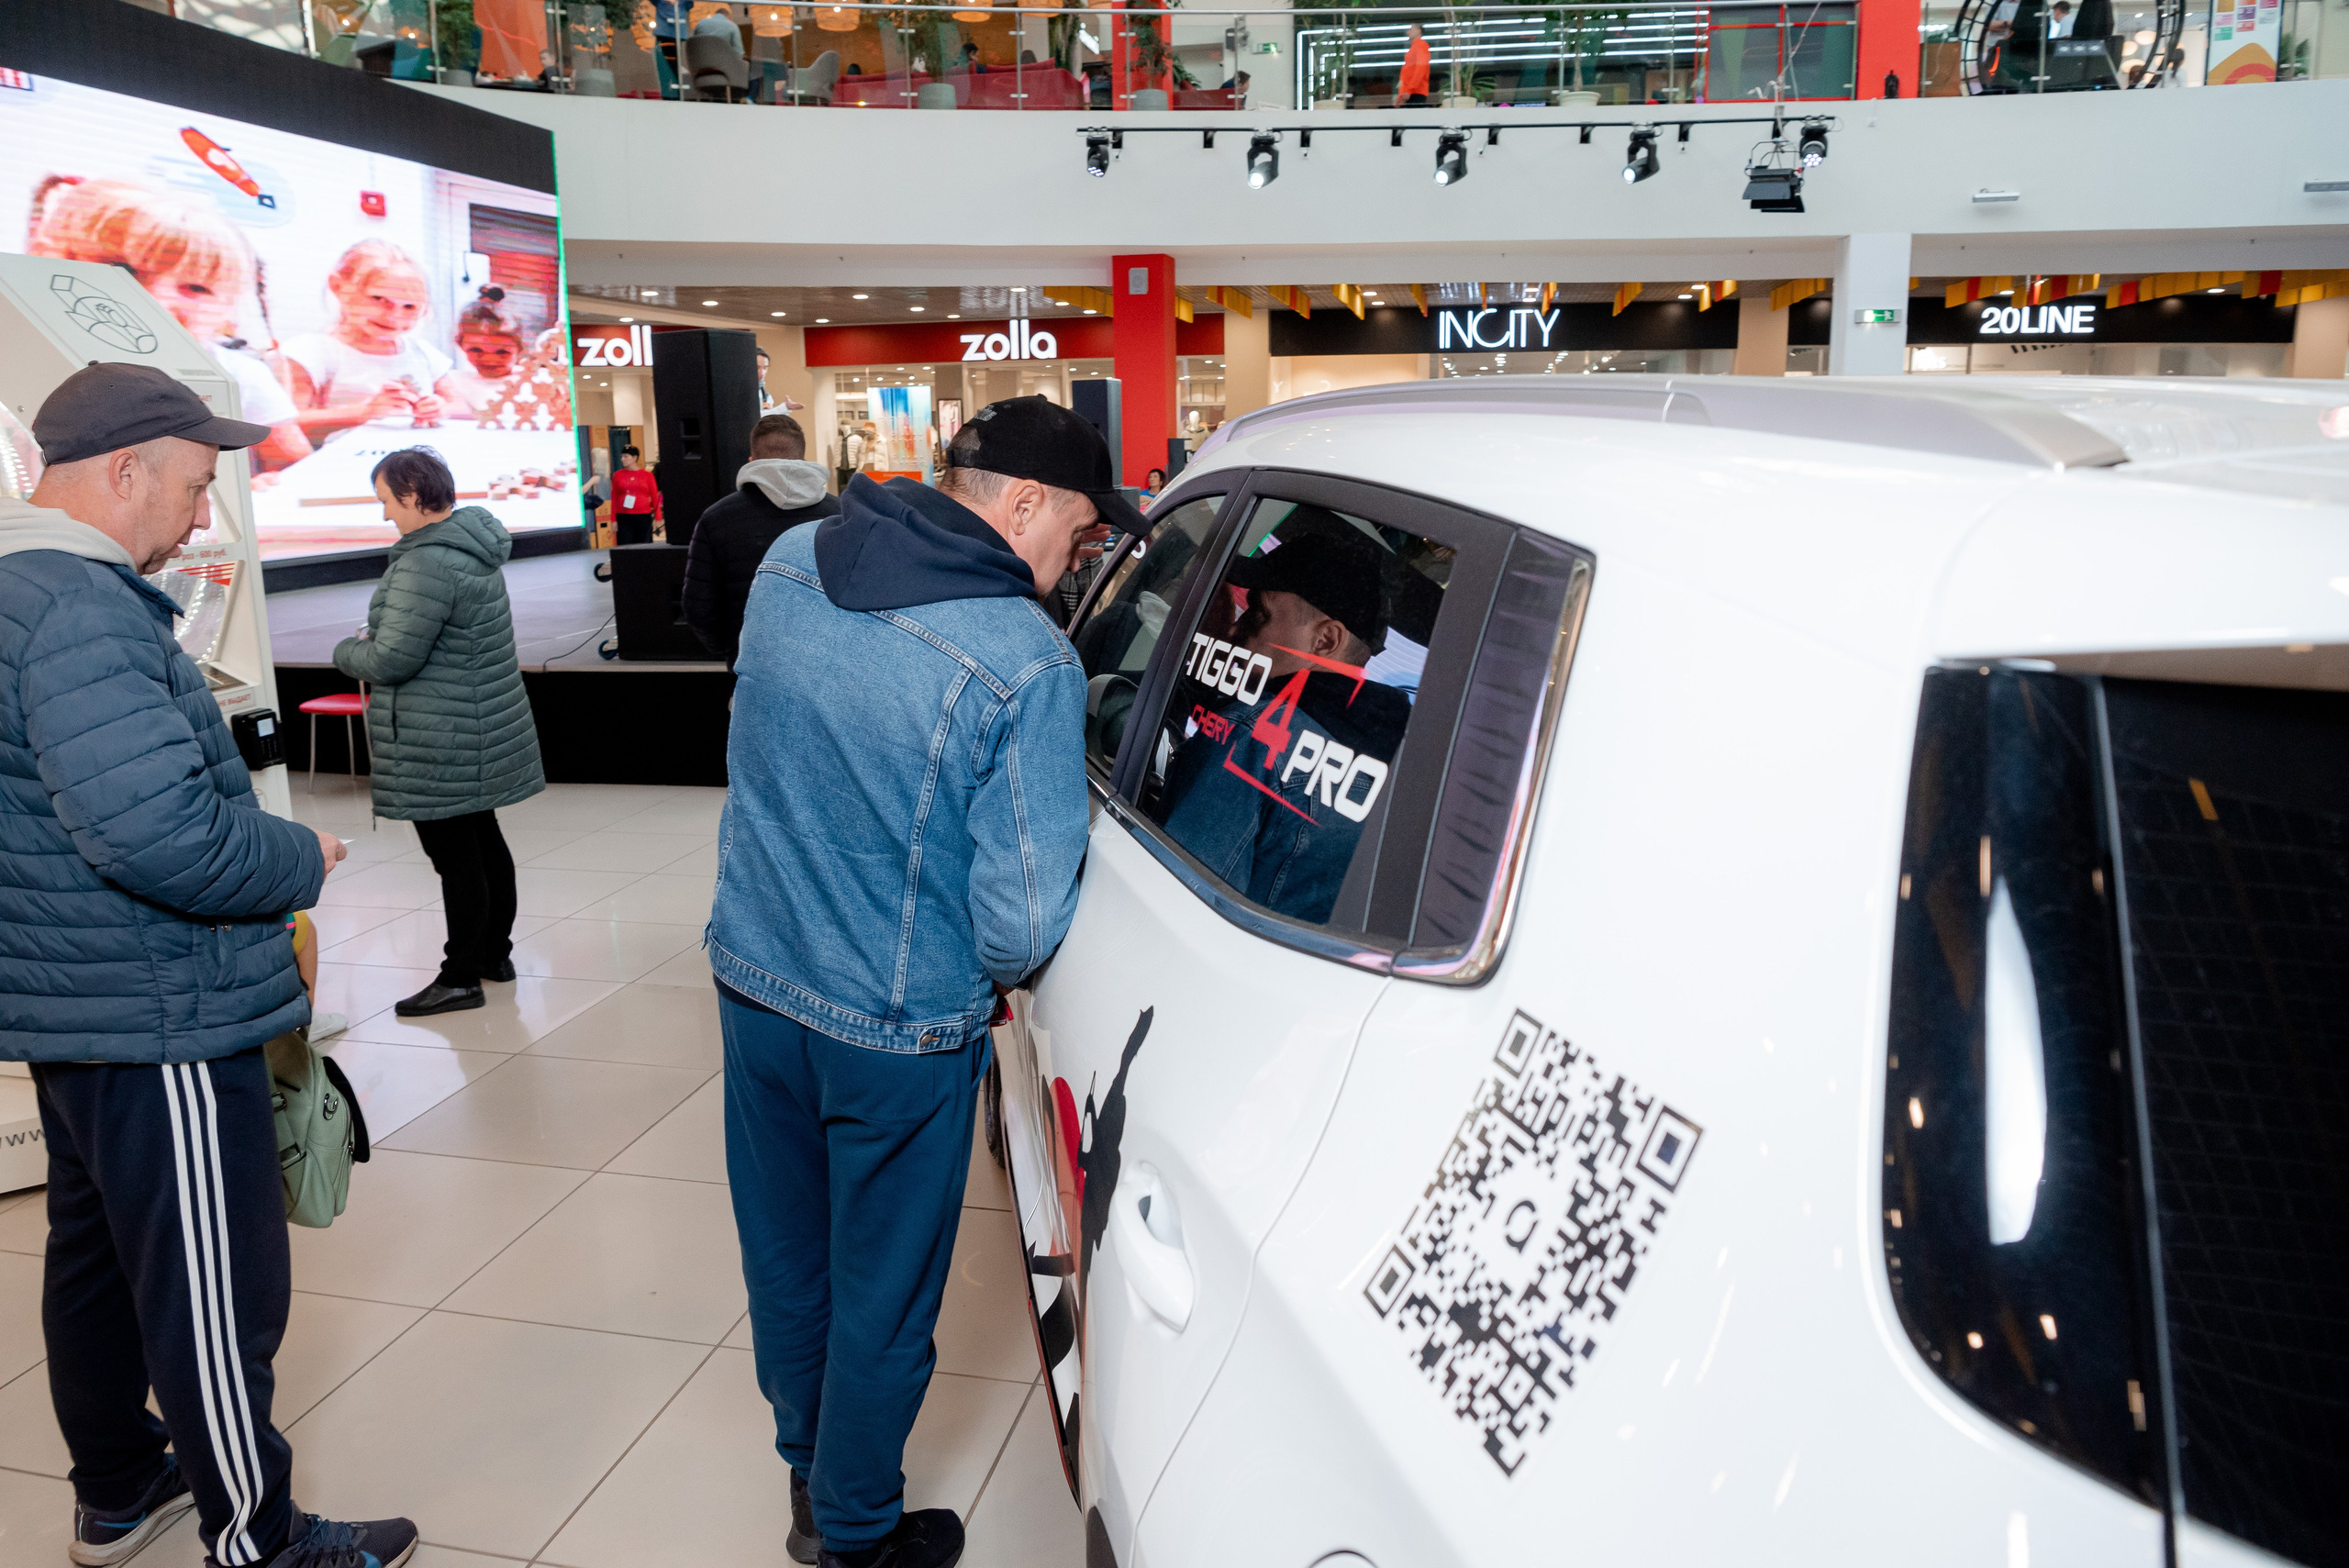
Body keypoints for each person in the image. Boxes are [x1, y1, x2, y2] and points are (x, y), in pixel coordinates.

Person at [0, 362, 420, 1568]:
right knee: (212, 1291)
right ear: (123, 470)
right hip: (159, 1008)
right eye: (190, 487)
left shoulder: (22, 590)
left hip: (81, 1002)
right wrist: (302, 852)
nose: (199, 516)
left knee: (94, 1263)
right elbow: (157, 833)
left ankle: (122, 1485)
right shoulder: (78, 607)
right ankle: (263, 1539)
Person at [709, 395, 1134, 1568]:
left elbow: (758, 748)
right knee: (884, 1293)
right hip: (894, 1026)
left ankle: (806, 1473)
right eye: (1081, 534)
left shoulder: (795, 560)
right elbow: (1023, 913)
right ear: (1027, 503)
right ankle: (852, 1528)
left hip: (753, 978)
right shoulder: (1022, 657)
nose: (1072, 563)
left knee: (787, 1254)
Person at [332, 447, 545, 1018]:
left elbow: (394, 659)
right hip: (477, 726)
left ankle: (459, 976)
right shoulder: (471, 547)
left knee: (457, 858)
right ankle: (491, 956)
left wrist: (349, 650)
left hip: (440, 735)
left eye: (385, 502)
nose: (384, 516)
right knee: (483, 842)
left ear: (411, 494)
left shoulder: (425, 563)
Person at [1157, 525, 1409, 922]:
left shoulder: (1249, 740)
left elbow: (1175, 913)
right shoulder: (1414, 754)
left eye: (1258, 616)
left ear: (1325, 641)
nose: (1237, 629)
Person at [25, 175, 314, 474]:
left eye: (197, 288)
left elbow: (295, 464)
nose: (156, 301)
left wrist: (263, 489)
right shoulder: (28, 361)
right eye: (123, 269)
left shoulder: (238, 375)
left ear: (227, 310)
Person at [683, 413, 841, 667]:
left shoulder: (715, 519)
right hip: (828, 662)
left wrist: (731, 649)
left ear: (752, 460)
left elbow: (699, 606)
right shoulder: (842, 514)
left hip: (750, 664)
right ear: (802, 459)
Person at [283, 239, 461, 440]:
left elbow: (461, 405)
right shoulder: (311, 352)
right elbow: (283, 426)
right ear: (338, 287)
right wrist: (365, 412)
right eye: (378, 299)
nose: (394, 316)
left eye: (409, 307)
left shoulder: (422, 353)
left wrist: (441, 408)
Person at [448, 284, 526, 417]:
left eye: (502, 352)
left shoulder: (533, 383)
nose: (489, 359)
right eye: (476, 350)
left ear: (520, 348)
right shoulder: (453, 384)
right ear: (461, 345)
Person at [609, 444, 662, 543]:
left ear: (634, 458)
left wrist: (658, 518)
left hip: (643, 517)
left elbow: (655, 498)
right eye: (621, 456)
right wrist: (613, 520)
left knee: (644, 546)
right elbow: (614, 498)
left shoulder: (648, 476)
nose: (622, 459)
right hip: (623, 517)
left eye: (626, 456)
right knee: (625, 547)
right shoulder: (617, 475)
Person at [1396, 21, 1431, 106]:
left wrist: (1409, 90)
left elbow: (1421, 68)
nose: (1408, 32)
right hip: (1410, 93)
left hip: (1415, 92)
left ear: (1418, 31)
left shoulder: (1421, 45)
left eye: (1411, 29)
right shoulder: (1415, 47)